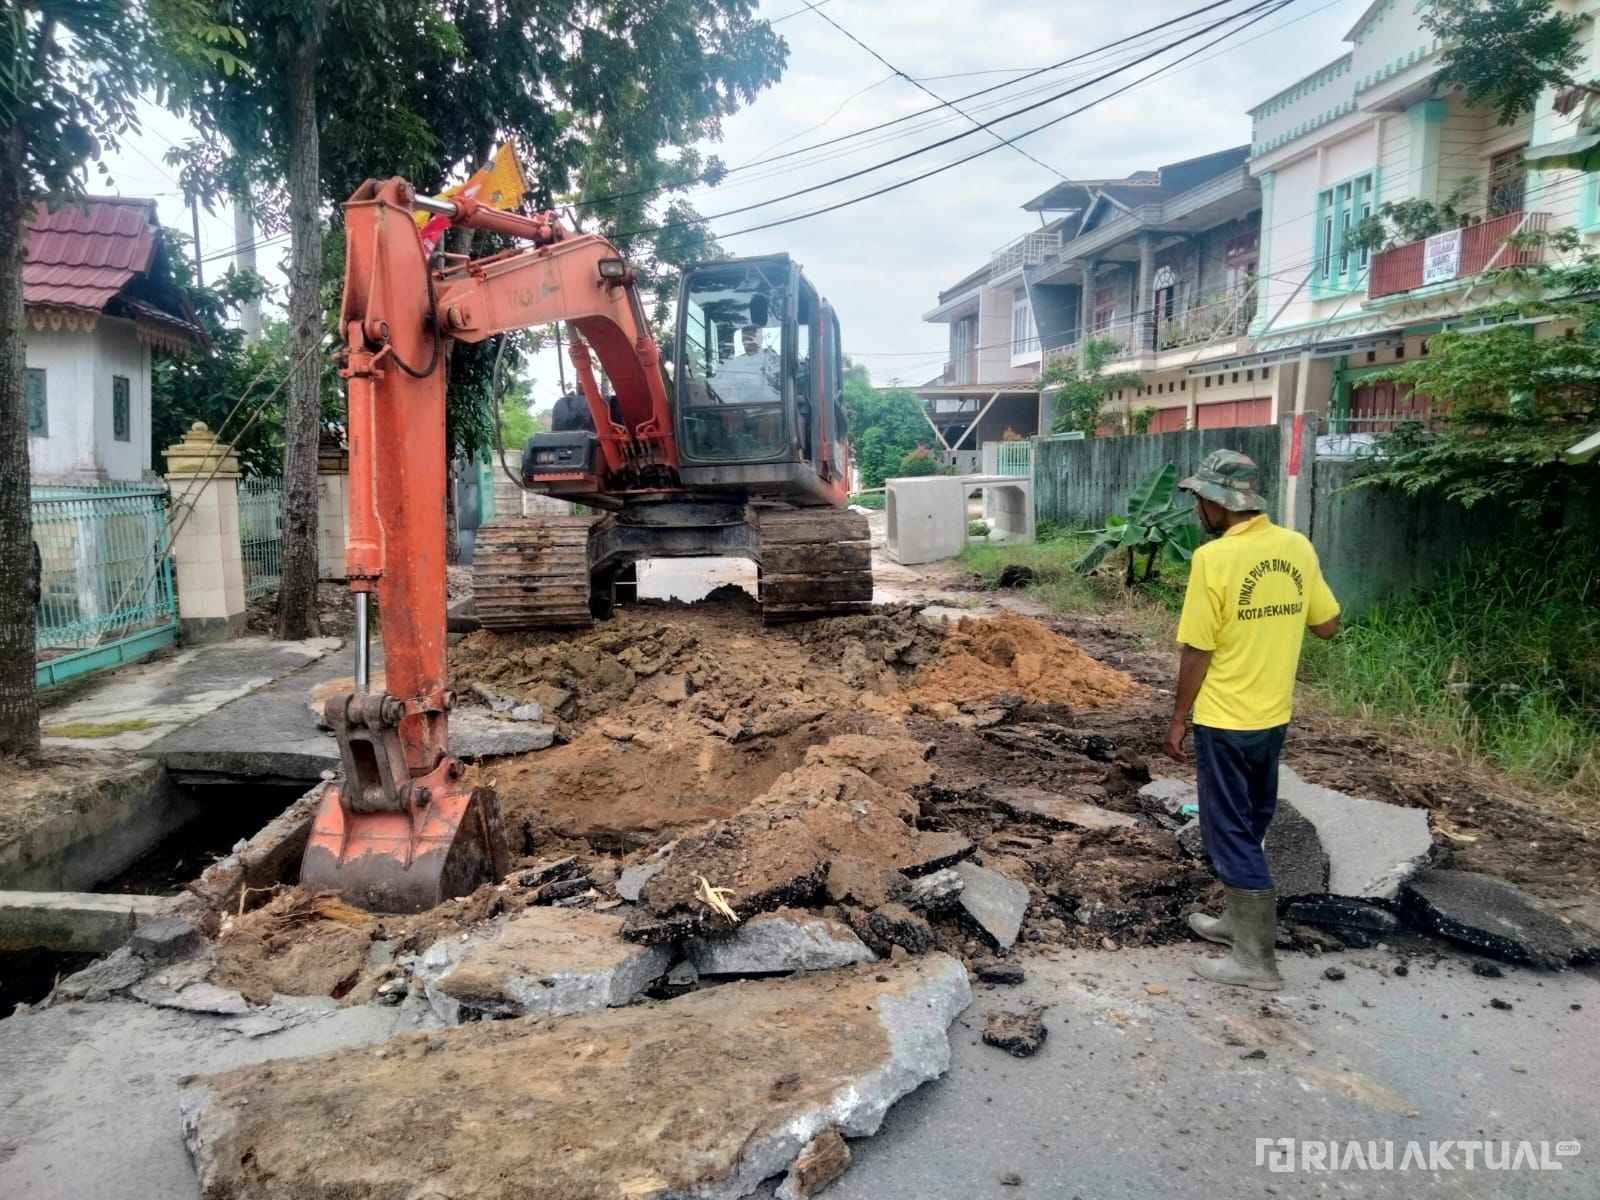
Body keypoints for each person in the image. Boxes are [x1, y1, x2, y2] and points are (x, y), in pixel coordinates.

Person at [1165, 449, 1340, 991]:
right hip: (1272, 715)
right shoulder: (1296, 547)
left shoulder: (1213, 560)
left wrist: (1178, 719)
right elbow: (1328, 625)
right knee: (1253, 819)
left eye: (1200, 498)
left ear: (1218, 501)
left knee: (1229, 832)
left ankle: (1255, 961)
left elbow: (1197, 649)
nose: (1197, 507)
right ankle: (1237, 923)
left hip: (1225, 718)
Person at [710, 324, 779, 404]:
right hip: (742, 407)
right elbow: (721, 389)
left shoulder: (775, 361)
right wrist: (734, 404)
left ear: (761, 339)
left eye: (750, 339)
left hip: (774, 407)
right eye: (744, 339)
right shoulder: (735, 363)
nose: (747, 343)